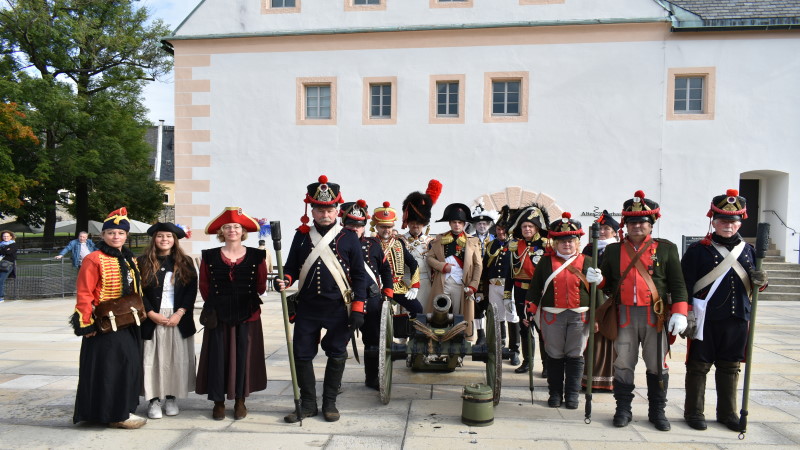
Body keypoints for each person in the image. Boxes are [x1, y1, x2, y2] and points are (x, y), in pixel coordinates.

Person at [275, 175, 368, 423]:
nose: (324, 213)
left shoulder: (348, 237)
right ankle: (307, 404)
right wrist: (285, 278)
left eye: (329, 209)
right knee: (302, 354)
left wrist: (358, 307)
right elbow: (292, 266)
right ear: (311, 210)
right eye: (319, 209)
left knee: (337, 353)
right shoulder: (302, 235)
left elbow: (359, 275)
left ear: (337, 210)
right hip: (308, 307)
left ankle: (329, 403)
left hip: (339, 307)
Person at [599, 190, 688, 431]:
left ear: (651, 224)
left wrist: (680, 311)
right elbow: (606, 283)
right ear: (625, 225)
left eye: (642, 222)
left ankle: (657, 411)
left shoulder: (667, 248)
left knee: (657, 364)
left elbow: (678, 283)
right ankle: (623, 409)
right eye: (632, 222)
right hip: (624, 315)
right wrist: (596, 279)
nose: (637, 226)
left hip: (655, 316)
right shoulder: (613, 251)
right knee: (624, 364)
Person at [681, 189, 768, 431]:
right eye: (722, 221)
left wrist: (763, 280)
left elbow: (756, 284)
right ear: (713, 221)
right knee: (698, 365)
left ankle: (727, 413)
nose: (728, 225)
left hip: (738, 317)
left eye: (733, 221)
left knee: (730, 366)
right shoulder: (698, 250)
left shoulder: (749, 251)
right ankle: (694, 412)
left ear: (740, 223)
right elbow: (684, 284)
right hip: (705, 318)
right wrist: (685, 312)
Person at [70, 207, 146, 429]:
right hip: (103, 323)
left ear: (126, 236)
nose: (116, 237)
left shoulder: (131, 259)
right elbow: (84, 292)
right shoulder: (94, 259)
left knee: (127, 365)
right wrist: (86, 324)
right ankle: (114, 415)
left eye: (120, 233)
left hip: (128, 321)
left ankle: (120, 409)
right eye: (111, 232)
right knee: (109, 368)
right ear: (102, 235)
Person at [196, 207, 268, 421]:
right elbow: (205, 286)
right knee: (218, 355)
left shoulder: (256, 255)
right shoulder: (209, 256)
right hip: (218, 314)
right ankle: (218, 401)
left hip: (248, 314)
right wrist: (219, 304)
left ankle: (240, 400)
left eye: (236, 227)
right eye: (227, 227)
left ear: (243, 230)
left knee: (243, 356)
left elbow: (261, 286)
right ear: (221, 231)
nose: (232, 230)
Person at [525, 212, 602, 409]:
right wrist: (530, 309)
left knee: (575, 355)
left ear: (577, 242)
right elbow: (535, 287)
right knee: (555, 355)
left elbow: (596, 291)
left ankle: (573, 395)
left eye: (570, 240)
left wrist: (597, 315)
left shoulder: (588, 261)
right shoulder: (545, 262)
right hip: (553, 315)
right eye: (562, 241)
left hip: (580, 315)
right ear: (555, 243)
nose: (566, 244)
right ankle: (555, 394)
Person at [137, 223, 197, 419]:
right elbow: (138, 291)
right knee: (152, 359)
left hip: (178, 317)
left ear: (174, 240)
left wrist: (179, 313)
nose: (164, 240)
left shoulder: (185, 262)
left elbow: (191, 290)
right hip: (152, 317)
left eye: (168, 236)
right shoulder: (142, 262)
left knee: (175, 359)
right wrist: (151, 313)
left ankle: (171, 397)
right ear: (154, 239)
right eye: (160, 236)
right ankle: (153, 400)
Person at [340, 200, 393, 390]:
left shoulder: (373, 245)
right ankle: (335, 382)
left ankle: (372, 378)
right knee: (339, 343)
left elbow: (385, 270)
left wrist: (387, 291)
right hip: (344, 301)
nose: (355, 229)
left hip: (371, 301)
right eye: (351, 225)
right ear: (343, 224)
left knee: (373, 343)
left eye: (359, 225)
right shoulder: (336, 245)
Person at [503, 204, 550, 374]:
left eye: (530, 226)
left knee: (542, 329)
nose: (527, 229)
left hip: (540, 293)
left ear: (537, 228)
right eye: (524, 226)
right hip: (520, 292)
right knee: (524, 328)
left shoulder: (546, 246)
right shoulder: (516, 246)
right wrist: (507, 295)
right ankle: (527, 361)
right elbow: (510, 272)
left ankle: (546, 364)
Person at [427, 203, 482, 341]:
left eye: (460, 222)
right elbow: (429, 258)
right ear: (450, 223)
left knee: (459, 314)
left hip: (461, 284)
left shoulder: (473, 241)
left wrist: (473, 285)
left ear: (464, 224)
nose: (457, 225)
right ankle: (437, 338)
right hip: (443, 282)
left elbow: (478, 266)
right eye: (454, 222)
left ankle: (458, 341)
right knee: (439, 312)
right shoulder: (440, 238)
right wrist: (442, 266)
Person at [581, 210, 619, 392]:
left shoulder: (618, 249)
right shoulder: (589, 249)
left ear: (614, 232)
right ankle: (589, 378)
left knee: (609, 336)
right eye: (600, 228)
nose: (603, 232)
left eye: (606, 228)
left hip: (609, 298)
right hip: (591, 296)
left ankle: (608, 379)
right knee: (591, 339)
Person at [370, 201, 423, 318]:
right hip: (376, 287)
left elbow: (413, 264)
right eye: (383, 226)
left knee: (418, 310)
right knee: (374, 315)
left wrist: (415, 286)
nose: (386, 230)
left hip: (396, 286)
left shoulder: (398, 243)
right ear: (376, 226)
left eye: (389, 227)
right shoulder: (369, 244)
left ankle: (409, 334)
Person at [400, 179, 442, 312]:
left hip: (426, 283)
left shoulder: (431, 241)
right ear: (408, 222)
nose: (415, 225)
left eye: (419, 222)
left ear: (424, 223)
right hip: (406, 283)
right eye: (412, 221)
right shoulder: (400, 240)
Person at [481, 206, 516, 356]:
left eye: (503, 230)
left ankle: (515, 349)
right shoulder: (491, 245)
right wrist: (483, 289)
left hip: (509, 287)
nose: (501, 232)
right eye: (498, 230)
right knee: (498, 316)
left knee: (512, 317)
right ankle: (500, 345)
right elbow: (484, 268)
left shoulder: (515, 244)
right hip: (493, 286)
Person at [470, 200, 497, 347]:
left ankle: (496, 337)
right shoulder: (470, 239)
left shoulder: (494, 240)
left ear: (489, 225)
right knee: (477, 307)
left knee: (492, 307)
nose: (482, 226)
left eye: (485, 224)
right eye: (479, 224)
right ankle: (481, 336)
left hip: (490, 279)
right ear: (475, 225)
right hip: (475, 278)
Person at [0, 230, 18, 302]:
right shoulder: (1, 244)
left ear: (11, 237)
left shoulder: (13, 244)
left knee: (1, 280)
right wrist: (6, 249)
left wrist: (3, 249)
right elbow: (7, 251)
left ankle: (1, 296)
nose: (6, 237)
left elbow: (9, 252)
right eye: (4, 236)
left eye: (7, 236)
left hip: (7, 265)